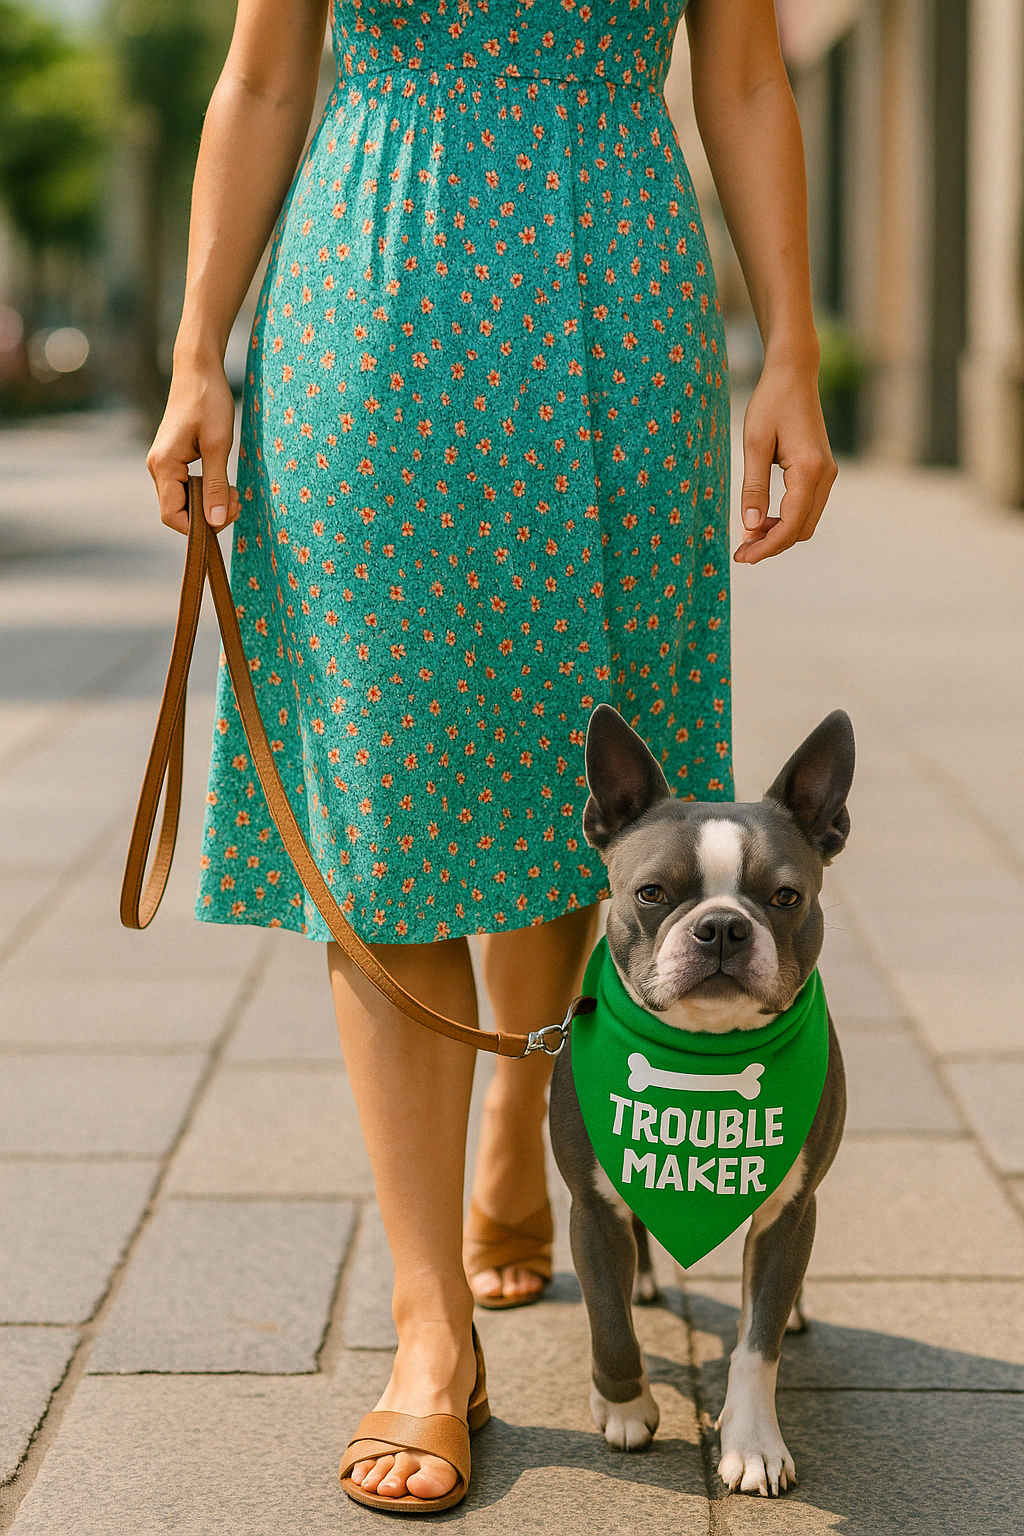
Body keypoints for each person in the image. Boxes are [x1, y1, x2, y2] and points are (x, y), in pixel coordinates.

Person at [146, 0, 836, 1512]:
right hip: (369, 292)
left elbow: (740, 72)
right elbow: (264, 74)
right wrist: (200, 355)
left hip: (621, 304)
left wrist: (790, 349)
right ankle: (427, 1323)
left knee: (576, 777)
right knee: (388, 798)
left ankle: (521, 1132)